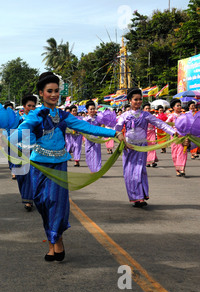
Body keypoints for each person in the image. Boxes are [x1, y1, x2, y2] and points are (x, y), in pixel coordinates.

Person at [8, 72, 126, 262]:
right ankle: (51, 243)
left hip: (58, 165)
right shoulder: (35, 115)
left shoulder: (64, 116)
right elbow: (18, 135)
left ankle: (58, 242)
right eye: (49, 91)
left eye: (56, 91)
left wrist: (114, 133)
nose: (54, 95)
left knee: (57, 204)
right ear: (41, 93)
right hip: (39, 165)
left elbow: (87, 128)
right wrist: (32, 119)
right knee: (43, 205)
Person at [115, 88, 177, 207]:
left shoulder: (145, 115)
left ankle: (141, 197)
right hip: (128, 147)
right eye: (135, 100)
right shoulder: (124, 116)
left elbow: (160, 123)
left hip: (142, 147)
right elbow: (116, 129)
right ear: (129, 101)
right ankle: (134, 197)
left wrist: (173, 132)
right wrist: (118, 135)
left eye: (140, 100)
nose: (138, 102)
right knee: (129, 172)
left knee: (140, 170)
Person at [12, 94, 37, 211]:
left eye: (33, 106)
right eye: (29, 106)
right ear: (24, 106)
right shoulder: (18, 120)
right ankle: (27, 197)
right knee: (21, 176)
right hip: (20, 150)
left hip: (35, 150)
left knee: (31, 175)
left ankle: (29, 200)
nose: (31, 108)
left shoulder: (38, 120)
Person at [166, 98, 188, 177]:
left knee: (183, 152)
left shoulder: (184, 116)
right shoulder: (171, 116)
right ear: (173, 107)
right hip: (175, 137)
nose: (179, 107)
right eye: (177, 105)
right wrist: (172, 130)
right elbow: (166, 125)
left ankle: (182, 169)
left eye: (180, 105)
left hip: (183, 136)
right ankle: (177, 170)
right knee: (175, 153)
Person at [83, 101, 102, 173]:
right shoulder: (85, 120)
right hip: (88, 139)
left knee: (97, 154)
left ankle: (97, 170)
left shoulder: (98, 119)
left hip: (97, 139)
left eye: (93, 109)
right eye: (91, 109)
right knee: (89, 154)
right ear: (87, 110)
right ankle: (92, 168)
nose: (92, 111)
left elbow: (101, 127)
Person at [143, 103, 158, 167]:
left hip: (152, 133)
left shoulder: (153, 117)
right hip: (145, 133)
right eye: (146, 108)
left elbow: (157, 124)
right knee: (146, 147)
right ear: (143, 109)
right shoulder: (141, 117)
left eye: (149, 108)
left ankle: (152, 160)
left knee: (152, 146)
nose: (148, 110)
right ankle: (147, 161)